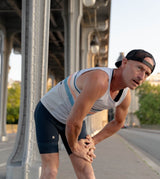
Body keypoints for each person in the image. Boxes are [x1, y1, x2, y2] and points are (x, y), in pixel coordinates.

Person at [34, 49, 156, 179]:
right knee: (51, 171)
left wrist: (92, 141)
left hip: (75, 120)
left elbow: (118, 122)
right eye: (139, 68)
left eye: (147, 74)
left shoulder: (125, 97)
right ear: (124, 62)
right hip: (48, 114)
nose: (142, 77)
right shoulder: (100, 80)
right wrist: (76, 148)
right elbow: (73, 122)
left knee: (87, 172)